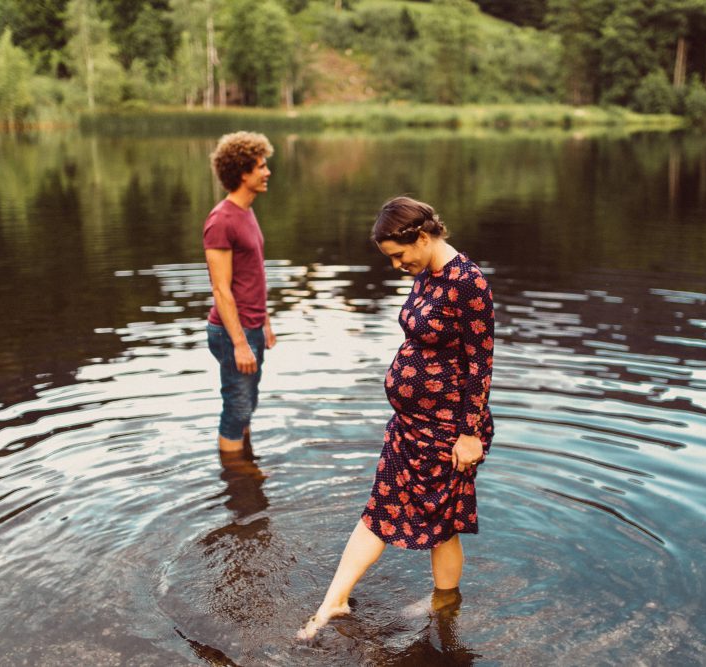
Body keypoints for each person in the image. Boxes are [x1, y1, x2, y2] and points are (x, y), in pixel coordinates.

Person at [298, 196, 495, 640]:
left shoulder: (469, 283)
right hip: (410, 425)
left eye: (399, 254)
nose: (396, 265)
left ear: (422, 237)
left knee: (443, 523)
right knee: (380, 507)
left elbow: (480, 363)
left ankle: (445, 603)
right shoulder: (427, 274)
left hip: (448, 428)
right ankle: (335, 601)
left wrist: (468, 434)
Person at [204, 131, 277, 453]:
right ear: (243, 173)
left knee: (247, 405)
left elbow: (253, 274)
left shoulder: (246, 212)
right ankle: (236, 476)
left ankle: (246, 465)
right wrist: (240, 343)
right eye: (261, 166)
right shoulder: (221, 220)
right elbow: (221, 289)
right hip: (232, 331)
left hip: (251, 325)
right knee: (236, 410)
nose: (267, 172)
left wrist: (265, 321)